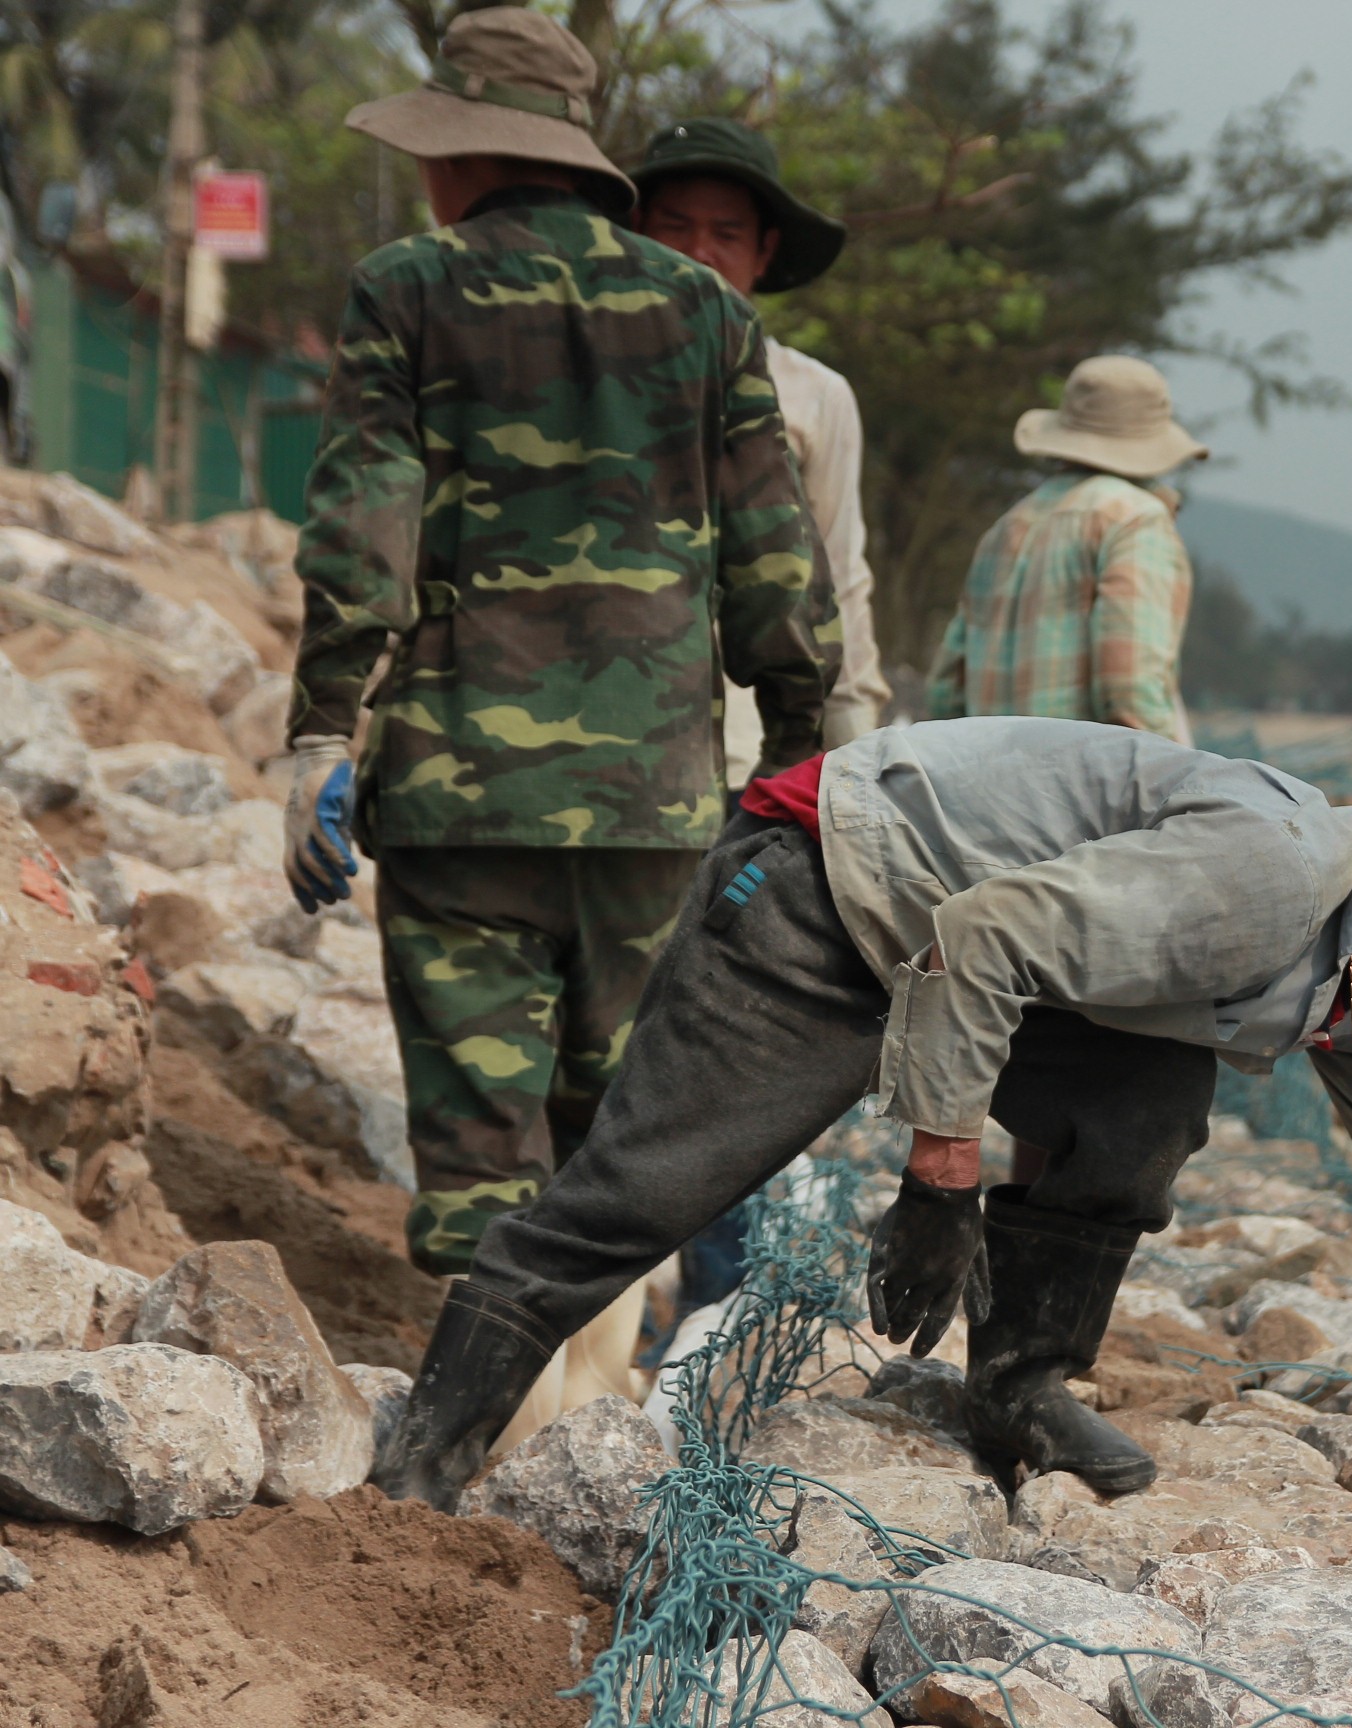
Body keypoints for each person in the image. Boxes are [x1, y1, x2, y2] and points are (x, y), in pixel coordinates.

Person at [375, 722, 1352, 1509]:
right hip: (831, 891)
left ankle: (1020, 1386)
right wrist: (941, 1178)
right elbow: (983, 939)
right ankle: (417, 1469)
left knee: (1145, 1094)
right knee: (652, 1192)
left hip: (951, 940)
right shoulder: (1262, 884)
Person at [283, 4, 839, 1324]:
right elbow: (776, 556)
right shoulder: (705, 308)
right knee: (625, 1143)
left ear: (461, 151)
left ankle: (487, 1442)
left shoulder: (404, 287)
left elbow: (365, 524)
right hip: (654, 799)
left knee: (484, 1161)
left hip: (455, 798)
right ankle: (597, 1426)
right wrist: (804, 751)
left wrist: (318, 728)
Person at [630, 117, 891, 775]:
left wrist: (852, 760)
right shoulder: (576, 381)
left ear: (765, 250)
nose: (699, 252)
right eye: (674, 226)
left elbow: (839, 575)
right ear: (635, 234)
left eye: (727, 233)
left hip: (752, 754)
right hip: (602, 742)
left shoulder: (813, 395)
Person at [923, 356, 1205, 743]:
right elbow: (1130, 688)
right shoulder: (1137, 520)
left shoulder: (1006, 527)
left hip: (986, 789)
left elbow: (945, 694)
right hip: (1084, 793)